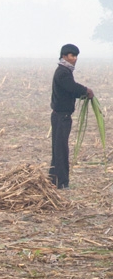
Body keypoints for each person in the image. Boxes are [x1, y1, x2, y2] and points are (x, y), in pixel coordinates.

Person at [49, 43, 94, 189]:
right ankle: (61, 182)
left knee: (58, 149)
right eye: (72, 55)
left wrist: (83, 93)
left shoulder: (65, 70)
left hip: (61, 116)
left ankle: (54, 180)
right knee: (61, 150)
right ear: (64, 56)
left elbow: (71, 90)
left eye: (76, 56)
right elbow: (72, 88)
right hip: (61, 117)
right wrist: (86, 91)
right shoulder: (63, 72)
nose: (74, 59)